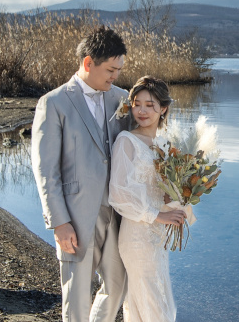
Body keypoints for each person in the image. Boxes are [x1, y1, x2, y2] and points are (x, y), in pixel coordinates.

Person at [30, 26, 129, 322]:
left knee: (117, 287)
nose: (115, 76)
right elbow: (45, 170)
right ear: (88, 63)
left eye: (119, 70)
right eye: (110, 70)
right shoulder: (54, 103)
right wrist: (59, 222)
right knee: (77, 299)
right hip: (76, 216)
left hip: (119, 215)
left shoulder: (122, 99)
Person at [108, 76, 187, 322]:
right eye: (137, 104)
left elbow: (163, 189)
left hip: (158, 235)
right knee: (153, 303)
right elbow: (118, 193)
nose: (142, 111)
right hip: (137, 234)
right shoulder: (126, 141)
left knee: (156, 297)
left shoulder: (165, 144)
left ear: (163, 109)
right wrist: (158, 215)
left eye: (149, 105)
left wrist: (177, 199)